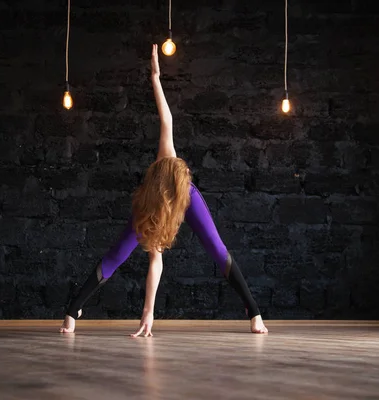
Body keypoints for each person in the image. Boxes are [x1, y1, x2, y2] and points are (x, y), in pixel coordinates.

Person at [59, 44, 268, 336]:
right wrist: (148, 312)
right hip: (157, 206)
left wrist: (156, 78)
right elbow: (155, 262)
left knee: (217, 249)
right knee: (117, 254)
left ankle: (254, 311)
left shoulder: (169, 160)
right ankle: (73, 310)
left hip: (188, 198)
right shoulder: (147, 210)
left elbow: (166, 119)